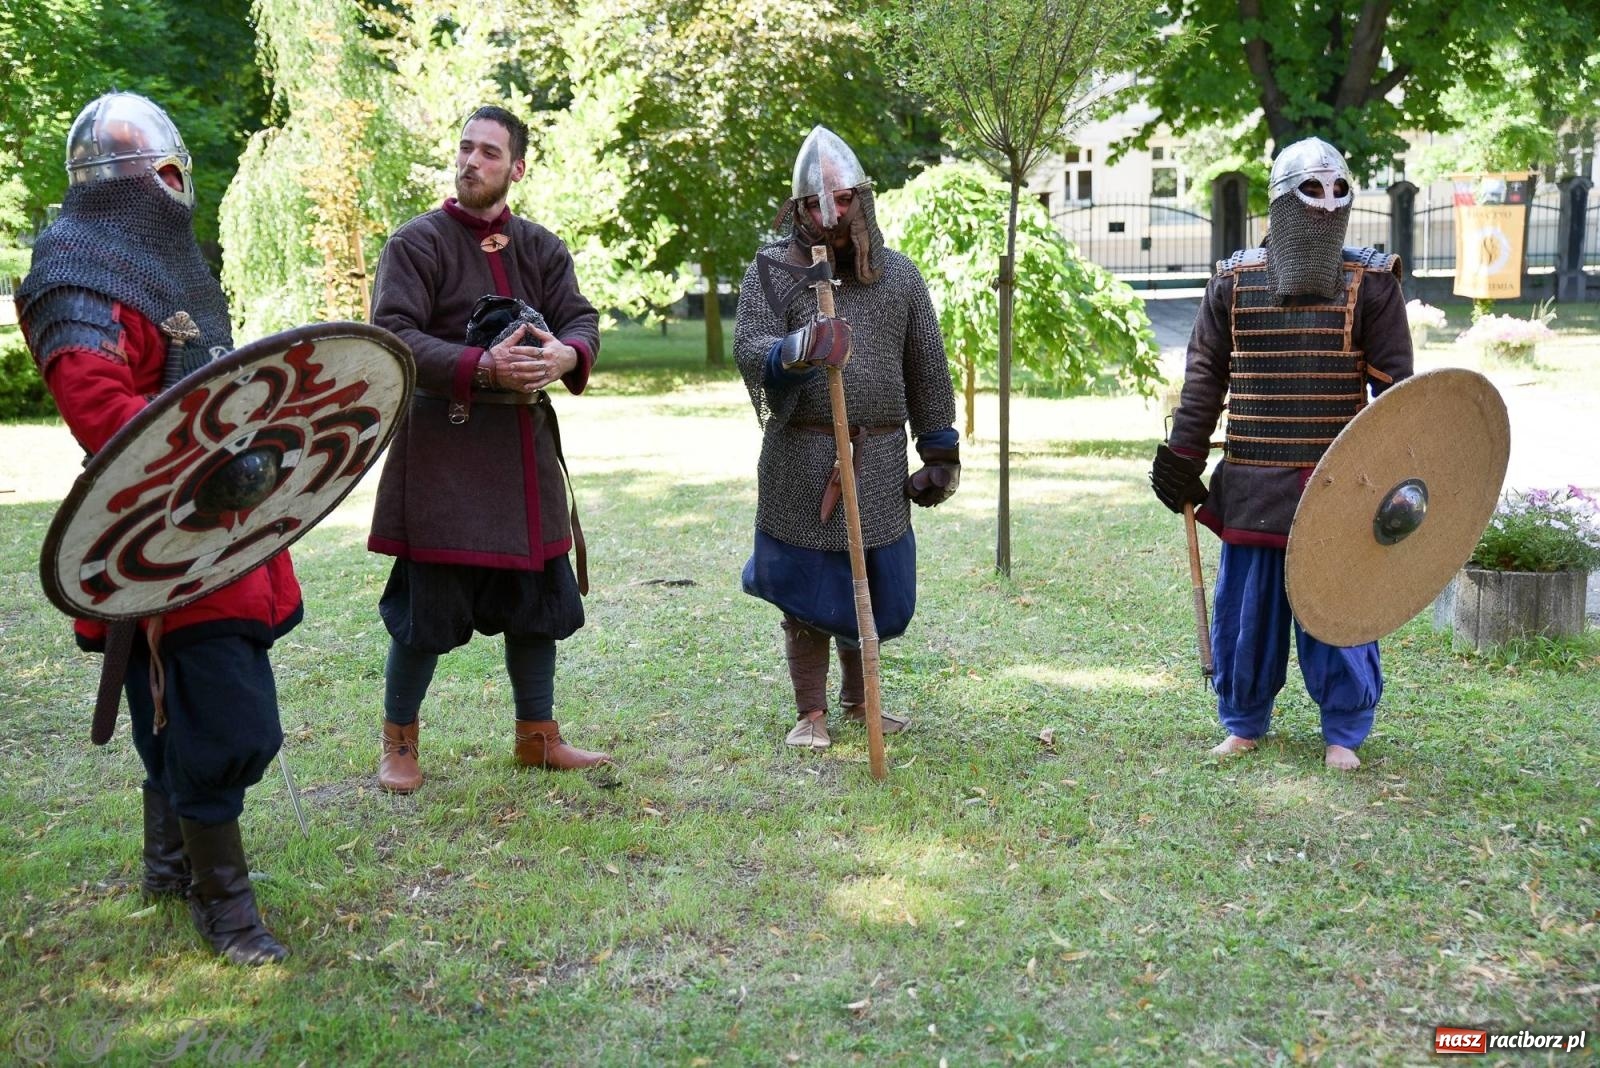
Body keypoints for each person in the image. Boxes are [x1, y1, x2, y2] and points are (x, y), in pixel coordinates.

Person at [16, 92, 302, 964]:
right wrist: (208, 448)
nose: (180, 189)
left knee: (177, 702)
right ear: (131, 181)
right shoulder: (73, 271)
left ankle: (169, 862)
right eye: (168, 173)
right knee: (219, 717)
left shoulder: (171, 265)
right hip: (152, 532)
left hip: (218, 519)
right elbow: (99, 405)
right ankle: (227, 905)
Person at [1150, 136, 1413, 770]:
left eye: (1337, 189)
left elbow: (1401, 396)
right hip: (1254, 482)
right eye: (1311, 191)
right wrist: (1184, 457)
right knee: (1247, 616)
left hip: (1338, 485)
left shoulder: (1370, 285)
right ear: (1281, 204)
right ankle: (1243, 720)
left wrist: (1404, 475)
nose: (1326, 204)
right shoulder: (1235, 284)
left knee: (1339, 613)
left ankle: (1344, 731)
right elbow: (1206, 375)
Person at [368, 105, 609, 791]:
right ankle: (399, 743)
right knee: (427, 607)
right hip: (444, 451)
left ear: (516, 169)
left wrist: (568, 354)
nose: (471, 161)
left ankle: (538, 737)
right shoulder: (415, 244)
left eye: (489, 153)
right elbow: (394, 335)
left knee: (536, 599)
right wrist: (481, 367)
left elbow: (580, 317)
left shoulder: (540, 247)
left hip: (522, 453)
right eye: (465, 148)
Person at [733, 125, 960, 750]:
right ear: (797, 208)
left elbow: (927, 370)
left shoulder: (901, 279)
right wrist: (797, 350)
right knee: (807, 590)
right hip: (800, 455)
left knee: (874, 588)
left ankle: (862, 703)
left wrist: (940, 453)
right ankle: (810, 714)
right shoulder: (774, 273)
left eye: (840, 200)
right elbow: (749, 346)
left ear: (862, 198)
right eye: (814, 204)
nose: (829, 215)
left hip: (878, 456)